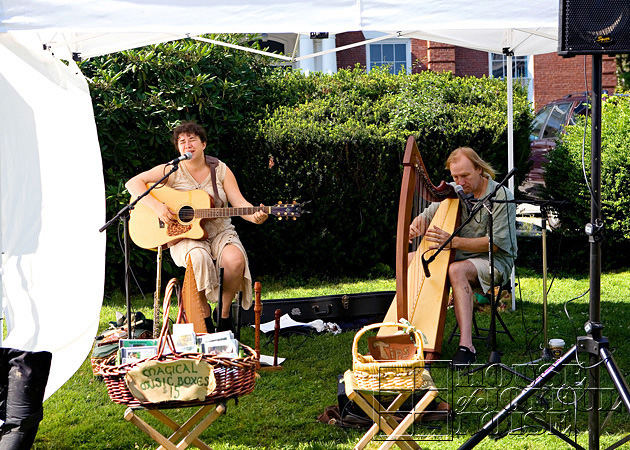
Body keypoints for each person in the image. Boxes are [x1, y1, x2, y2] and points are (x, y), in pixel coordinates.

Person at [126, 122, 268, 332]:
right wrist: (157, 207)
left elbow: (240, 203)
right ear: (178, 148)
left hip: (220, 232)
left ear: (203, 144)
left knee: (235, 260)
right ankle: (205, 319)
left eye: (192, 139)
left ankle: (224, 315)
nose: (187, 144)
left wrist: (255, 216)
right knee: (197, 259)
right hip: (186, 236)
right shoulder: (172, 170)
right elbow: (133, 183)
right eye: (182, 142)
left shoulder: (220, 170)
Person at [409, 147, 517, 366]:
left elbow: (494, 244)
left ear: (479, 169)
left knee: (455, 270)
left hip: (493, 262)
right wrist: (417, 224)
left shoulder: (501, 196)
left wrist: (452, 242)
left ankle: (466, 345)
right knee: (410, 260)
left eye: (465, 176)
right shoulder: (455, 193)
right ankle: (414, 335)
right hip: (460, 257)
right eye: (455, 176)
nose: (460, 181)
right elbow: (427, 215)